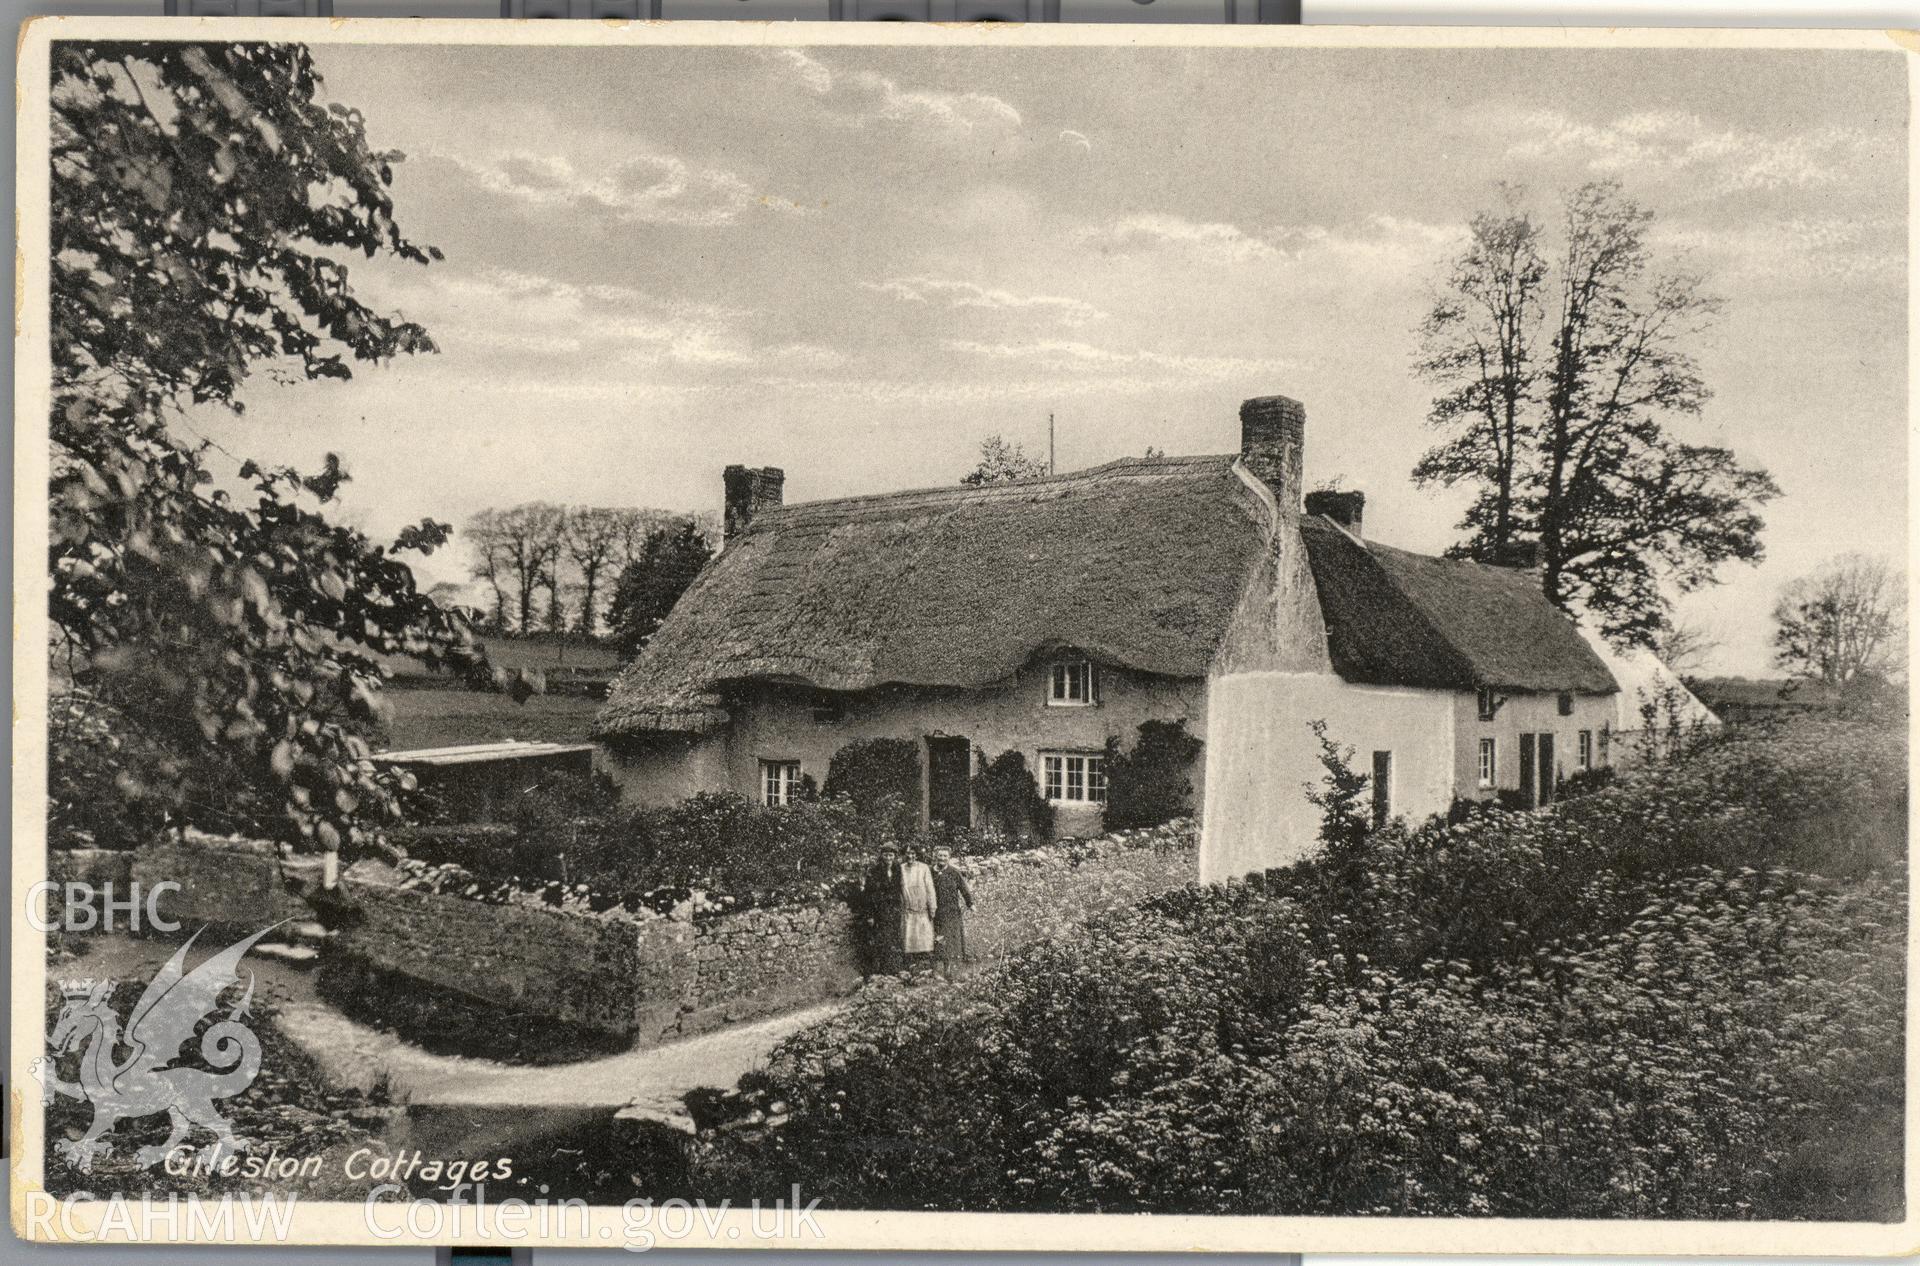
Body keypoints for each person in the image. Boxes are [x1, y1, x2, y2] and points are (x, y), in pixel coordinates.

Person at [858, 843, 904, 975]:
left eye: (891, 855)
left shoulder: (897, 869)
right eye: (886, 855)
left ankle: (893, 970)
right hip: (879, 911)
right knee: (880, 940)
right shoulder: (874, 871)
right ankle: (879, 971)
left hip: (894, 910)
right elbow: (868, 894)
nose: (888, 858)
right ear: (881, 856)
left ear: (895, 856)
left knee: (894, 939)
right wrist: (870, 915)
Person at [930, 845, 975, 979]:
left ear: (949, 858)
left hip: (951, 912)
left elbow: (964, 889)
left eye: (945, 856)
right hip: (934, 912)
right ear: (935, 856)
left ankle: (948, 970)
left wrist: (970, 904)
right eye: (940, 855)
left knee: (949, 941)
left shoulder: (954, 873)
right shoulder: (929, 872)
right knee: (936, 941)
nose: (942, 858)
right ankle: (934, 971)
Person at [898, 847, 939, 973]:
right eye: (908, 853)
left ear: (917, 854)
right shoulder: (901, 868)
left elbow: (930, 888)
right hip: (907, 910)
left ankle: (927, 969)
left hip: (922, 910)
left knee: (924, 940)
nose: (910, 856)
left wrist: (932, 907)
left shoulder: (924, 868)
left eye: (913, 853)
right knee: (909, 940)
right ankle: (910, 969)